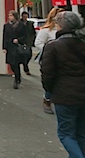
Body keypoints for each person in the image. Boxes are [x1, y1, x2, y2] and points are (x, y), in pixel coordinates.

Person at [40, 11, 85, 158]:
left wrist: (49, 92)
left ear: (60, 26)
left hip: (64, 95)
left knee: (66, 134)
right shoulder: (82, 43)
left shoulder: (53, 47)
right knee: (81, 134)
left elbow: (47, 74)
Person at [35, 7, 64, 114]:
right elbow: (38, 43)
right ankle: (47, 99)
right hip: (50, 59)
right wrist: (50, 51)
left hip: (64, 59)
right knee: (51, 79)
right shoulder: (46, 31)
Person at [3, 10, 27, 90]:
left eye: (11, 15)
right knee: (11, 64)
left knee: (16, 62)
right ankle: (17, 75)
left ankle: (17, 79)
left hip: (17, 47)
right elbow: (5, 36)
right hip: (10, 46)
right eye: (9, 15)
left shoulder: (21, 25)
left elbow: (24, 36)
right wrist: (4, 47)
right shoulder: (6, 26)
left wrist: (19, 40)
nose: (9, 17)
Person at [20, 11, 35, 75]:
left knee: (29, 55)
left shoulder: (30, 24)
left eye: (26, 16)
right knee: (23, 55)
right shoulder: (19, 23)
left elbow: (33, 33)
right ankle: (26, 68)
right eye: (24, 17)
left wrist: (32, 40)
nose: (25, 18)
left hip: (28, 41)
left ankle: (25, 63)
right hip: (21, 42)